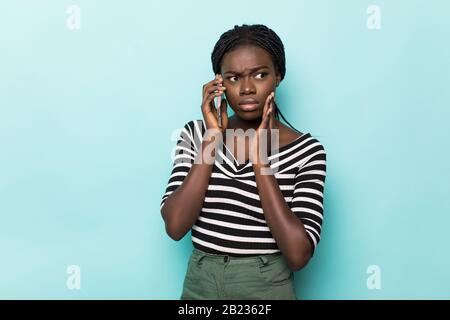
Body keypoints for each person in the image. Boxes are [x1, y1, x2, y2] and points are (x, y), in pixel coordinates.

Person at [160, 24, 327, 300]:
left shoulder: (307, 151)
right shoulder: (196, 135)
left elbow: (298, 254)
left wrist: (261, 160)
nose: (247, 88)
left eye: (260, 75)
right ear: (219, 83)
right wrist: (213, 137)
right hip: (200, 286)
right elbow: (176, 225)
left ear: (278, 76)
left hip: (266, 287)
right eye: (234, 78)